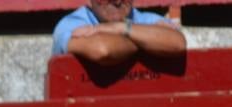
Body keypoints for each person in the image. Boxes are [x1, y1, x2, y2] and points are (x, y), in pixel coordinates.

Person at [52, 0, 186, 67]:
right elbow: (102, 50)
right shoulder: (71, 24)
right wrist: (146, 40)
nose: (117, 1)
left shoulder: (145, 18)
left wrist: (120, 28)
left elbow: (178, 44)